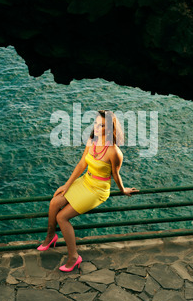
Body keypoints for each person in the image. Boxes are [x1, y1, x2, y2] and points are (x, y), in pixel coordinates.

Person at [37, 110, 139, 272]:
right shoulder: (92, 141)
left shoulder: (114, 152)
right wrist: (67, 185)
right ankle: (51, 236)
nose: (97, 128)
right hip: (85, 181)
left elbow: (115, 175)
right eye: (96, 123)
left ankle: (74, 257)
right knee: (55, 202)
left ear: (110, 129)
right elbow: (81, 164)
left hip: (97, 190)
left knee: (61, 217)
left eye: (102, 125)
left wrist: (123, 190)